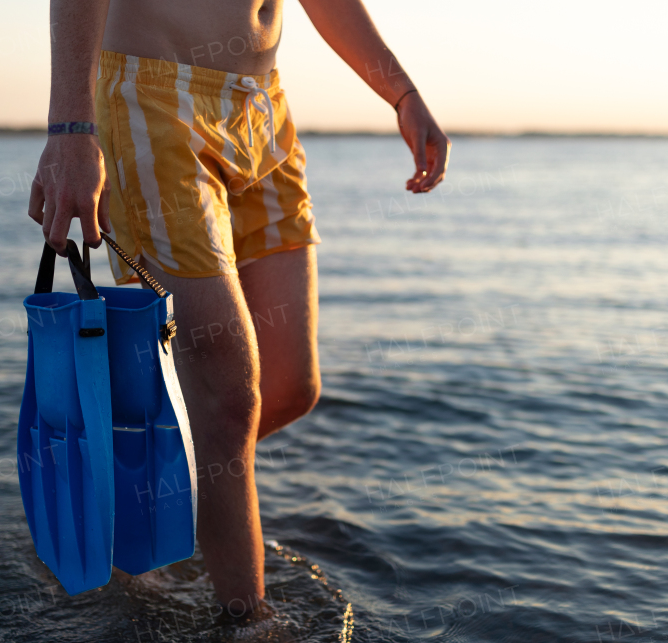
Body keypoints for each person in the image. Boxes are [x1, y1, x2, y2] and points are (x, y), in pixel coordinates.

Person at [28, 0, 450, 612]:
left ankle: (140, 501)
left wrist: (402, 93)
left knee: (288, 387)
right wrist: (71, 129)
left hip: (260, 108)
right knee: (228, 398)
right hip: (149, 97)